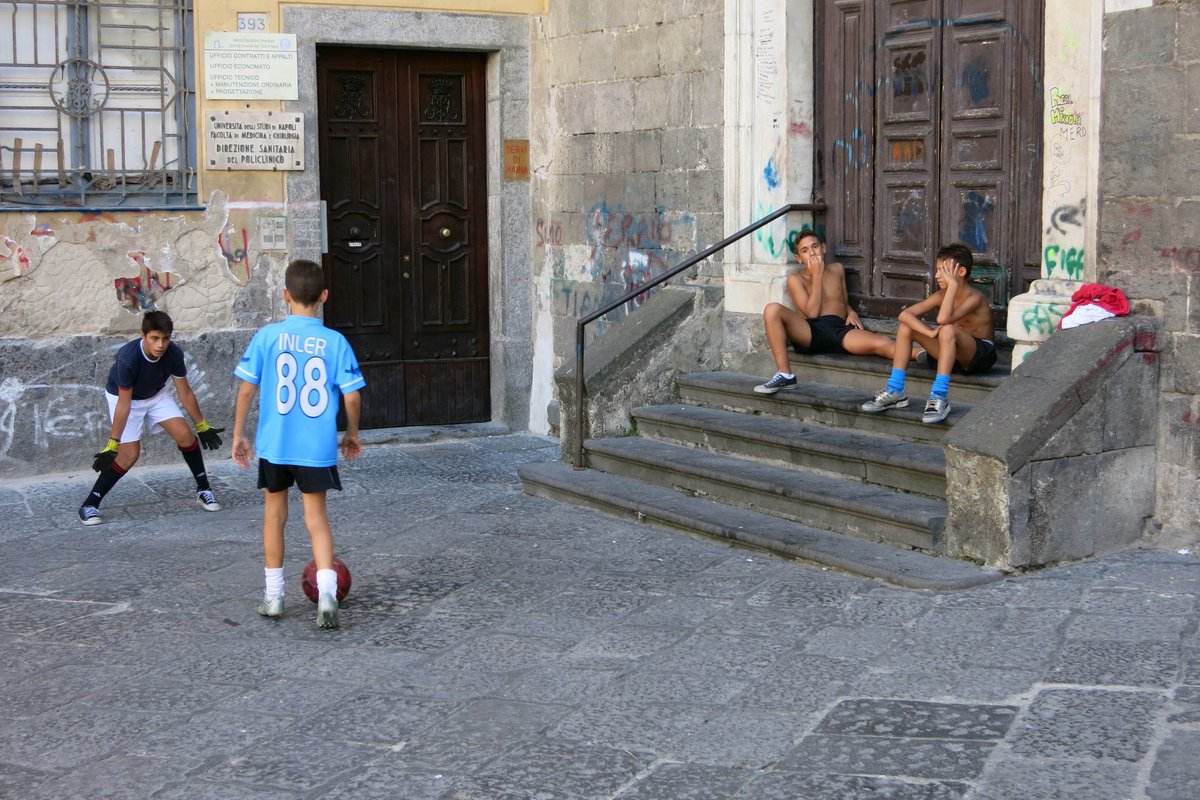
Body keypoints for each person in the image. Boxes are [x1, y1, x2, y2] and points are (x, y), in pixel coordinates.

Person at [231, 258, 365, 629]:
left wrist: (240, 433)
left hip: (275, 444)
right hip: (316, 447)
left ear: (284, 295)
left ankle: (273, 597)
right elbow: (352, 397)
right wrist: (351, 434)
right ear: (324, 296)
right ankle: (326, 593)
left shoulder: (268, 337)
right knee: (316, 519)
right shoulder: (335, 342)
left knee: (274, 517)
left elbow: (246, 388)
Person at [78, 311, 224, 526]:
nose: (160, 345)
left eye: (165, 338)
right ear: (143, 336)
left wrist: (201, 425)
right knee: (129, 456)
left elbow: (185, 392)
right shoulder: (128, 358)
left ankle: (204, 490)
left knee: (186, 436)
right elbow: (125, 404)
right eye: (154, 338)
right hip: (124, 400)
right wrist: (113, 443)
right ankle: (90, 504)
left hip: (156, 395)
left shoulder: (173, 354)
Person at [860, 242, 997, 424]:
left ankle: (939, 396)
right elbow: (905, 315)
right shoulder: (941, 295)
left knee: (947, 329)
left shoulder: (975, 298)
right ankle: (895, 390)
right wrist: (928, 333)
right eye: (937, 269)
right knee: (906, 327)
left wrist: (954, 287)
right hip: (952, 353)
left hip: (979, 356)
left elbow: (943, 320)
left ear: (961, 272)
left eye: (943, 270)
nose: (937, 275)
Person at [754, 229, 899, 394]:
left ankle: (929, 354)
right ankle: (785, 375)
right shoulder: (796, 279)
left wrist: (851, 312)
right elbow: (812, 314)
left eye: (815, 247)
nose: (812, 253)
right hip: (810, 331)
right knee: (772, 309)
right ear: (799, 258)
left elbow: (843, 301)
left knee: (882, 343)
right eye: (805, 250)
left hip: (838, 329)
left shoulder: (837, 269)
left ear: (823, 248)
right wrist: (817, 275)